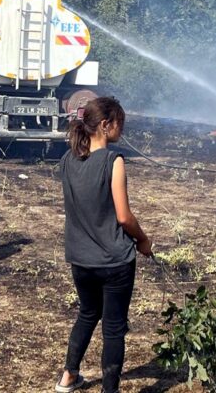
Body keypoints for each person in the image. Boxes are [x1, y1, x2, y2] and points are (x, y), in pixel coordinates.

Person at [56, 97, 153, 393]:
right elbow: (124, 217)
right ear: (105, 125)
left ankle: (68, 376)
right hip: (114, 262)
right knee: (113, 328)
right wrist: (143, 240)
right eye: (120, 124)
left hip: (80, 260)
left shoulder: (67, 160)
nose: (122, 130)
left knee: (87, 313)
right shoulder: (114, 161)